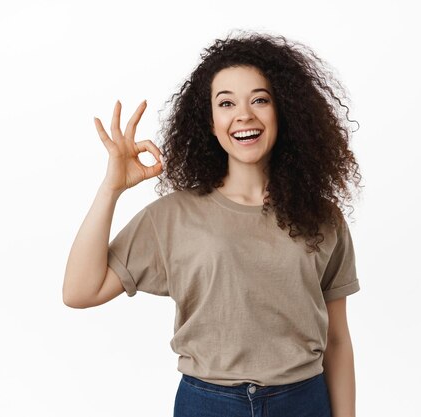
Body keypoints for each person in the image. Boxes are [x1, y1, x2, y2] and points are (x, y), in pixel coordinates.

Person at [63, 30, 363, 417]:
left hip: (303, 402)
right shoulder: (174, 215)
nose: (244, 115)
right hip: (208, 404)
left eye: (260, 99)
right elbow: (79, 292)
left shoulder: (322, 218)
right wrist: (111, 188)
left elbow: (337, 340)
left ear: (283, 110)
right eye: (226, 103)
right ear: (210, 121)